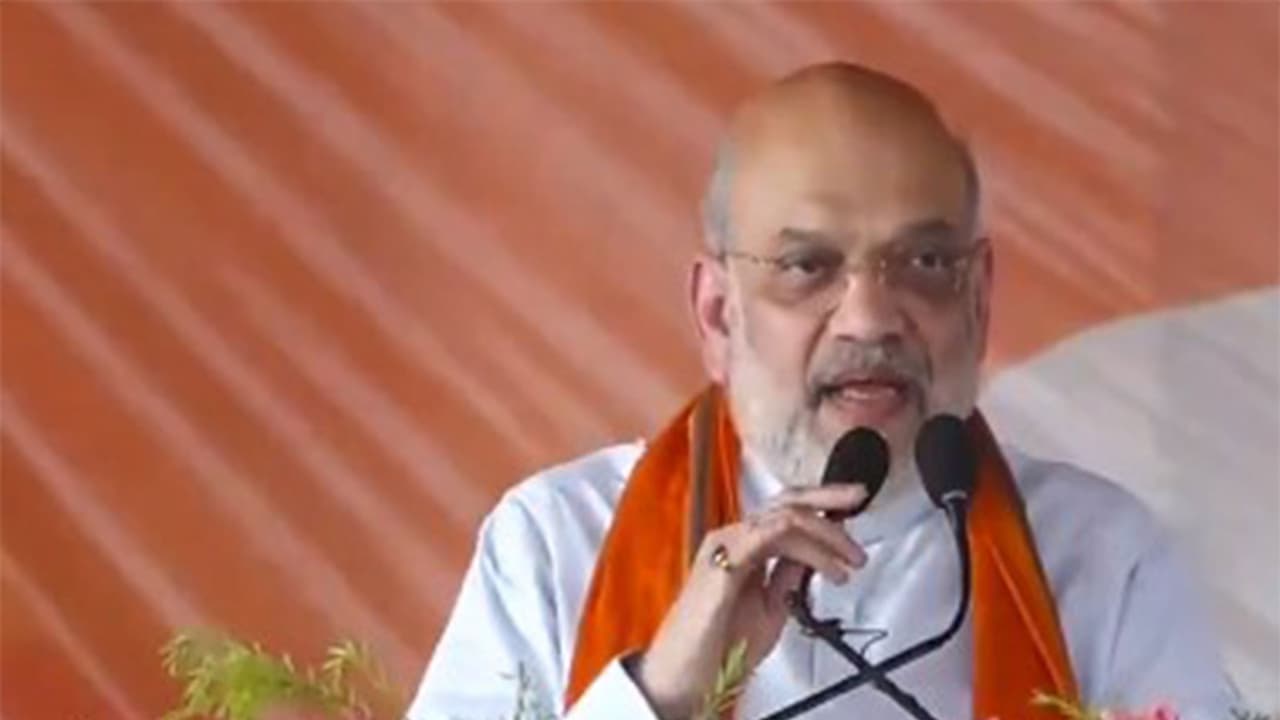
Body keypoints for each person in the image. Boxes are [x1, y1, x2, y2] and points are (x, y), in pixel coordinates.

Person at [406, 62, 1235, 720]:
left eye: (925, 263)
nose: (869, 319)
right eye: (807, 267)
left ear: (980, 300)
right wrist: (661, 694)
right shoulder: (556, 543)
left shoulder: (1101, 559)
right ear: (718, 313)